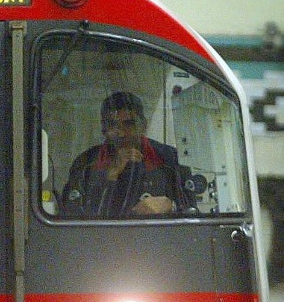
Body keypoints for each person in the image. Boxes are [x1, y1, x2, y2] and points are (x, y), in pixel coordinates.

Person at [59, 91, 194, 217]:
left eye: (129, 124)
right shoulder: (85, 164)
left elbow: (193, 212)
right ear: (103, 129)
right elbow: (70, 216)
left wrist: (171, 206)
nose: (122, 133)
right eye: (113, 125)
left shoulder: (170, 159)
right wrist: (109, 176)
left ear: (143, 125)